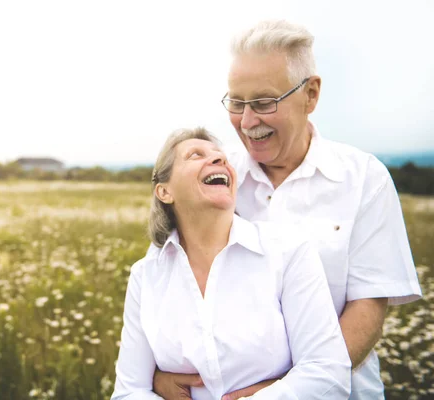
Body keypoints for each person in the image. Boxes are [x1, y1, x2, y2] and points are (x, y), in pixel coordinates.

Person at [152, 20, 422, 400]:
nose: (247, 122)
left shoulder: (364, 178)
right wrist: (155, 374)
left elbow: (368, 307)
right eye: (237, 102)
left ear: (310, 94)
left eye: (264, 102)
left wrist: (287, 390)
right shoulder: (213, 179)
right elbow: (168, 277)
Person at [111, 127, 351, 400]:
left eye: (221, 156)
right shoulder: (146, 275)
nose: (219, 160)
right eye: (195, 155)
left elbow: (329, 372)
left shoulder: (288, 252)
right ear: (164, 191)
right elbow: (129, 392)